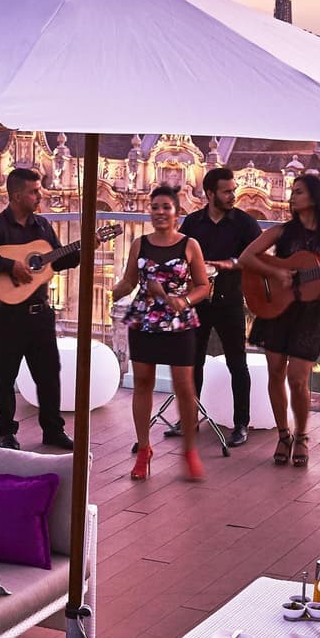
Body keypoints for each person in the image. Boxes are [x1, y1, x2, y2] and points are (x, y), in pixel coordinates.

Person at [237, 173, 320, 469]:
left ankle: (302, 435)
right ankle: (283, 434)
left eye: (298, 192)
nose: (292, 197)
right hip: (278, 308)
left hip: (310, 312)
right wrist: (277, 273)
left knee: (298, 379)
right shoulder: (282, 232)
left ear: (313, 197)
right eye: (292, 192)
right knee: (275, 373)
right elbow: (246, 258)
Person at [0, 167, 78, 451]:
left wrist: (79, 252)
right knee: (5, 378)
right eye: (34, 191)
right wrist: (10, 265)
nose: (40, 195)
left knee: (49, 375)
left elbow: (54, 260)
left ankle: (53, 430)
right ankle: (6, 433)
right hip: (8, 315)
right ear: (17, 196)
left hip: (40, 314)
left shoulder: (42, 227)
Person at [114, 184, 212, 480]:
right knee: (143, 382)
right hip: (144, 319)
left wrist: (182, 301)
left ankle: (190, 451)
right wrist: (110, 289)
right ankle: (144, 450)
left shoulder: (189, 245)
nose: (159, 212)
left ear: (177, 212)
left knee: (184, 385)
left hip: (178, 321)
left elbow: (203, 286)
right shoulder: (139, 244)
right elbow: (129, 282)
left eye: (165, 207)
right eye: (154, 207)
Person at [173, 166, 262, 447]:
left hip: (229, 300)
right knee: (193, 361)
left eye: (233, 190)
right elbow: (179, 254)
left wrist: (232, 264)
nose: (232, 195)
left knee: (238, 363)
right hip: (198, 302)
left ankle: (241, 424)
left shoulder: (245, 224)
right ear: (210, 193)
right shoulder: (193, 222)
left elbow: (259, 258)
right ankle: (189, 418)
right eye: (227, 191)